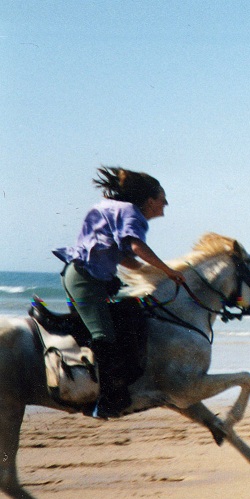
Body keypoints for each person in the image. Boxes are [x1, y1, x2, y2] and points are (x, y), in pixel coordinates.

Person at [53, 166, 185, 418]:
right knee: (104, 335)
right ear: (149, 201)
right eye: (162, 198)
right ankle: (103, 401)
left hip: (95, 277)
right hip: (86, 280)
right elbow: (136, 247)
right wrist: (169, 271)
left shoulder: (115, 209)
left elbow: (125, 258)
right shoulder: (132, 214)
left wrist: (155, 274)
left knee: (134, 312)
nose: (166, 203)